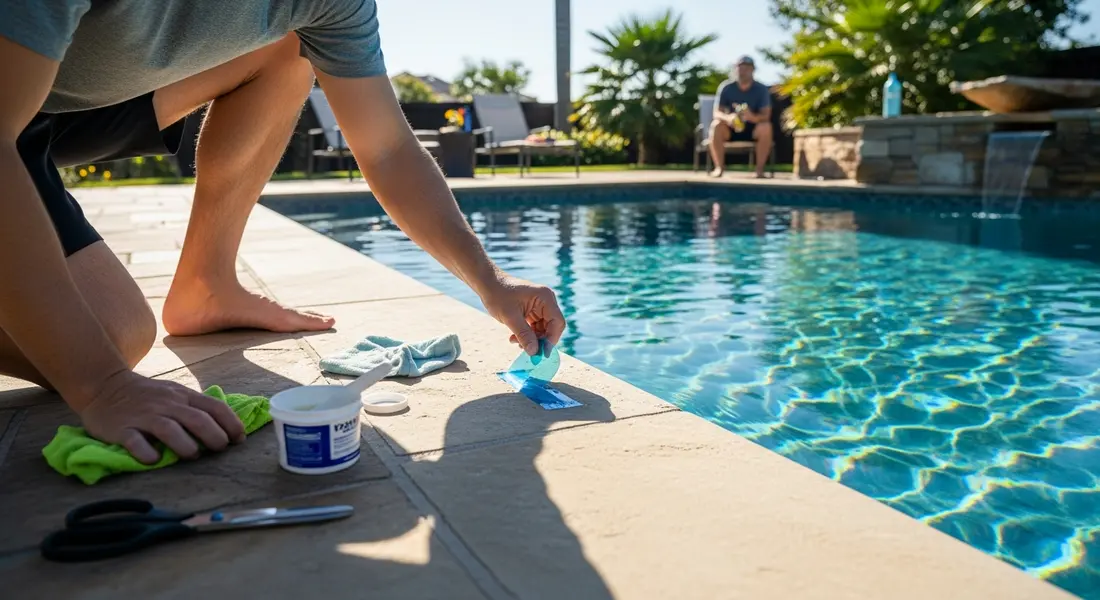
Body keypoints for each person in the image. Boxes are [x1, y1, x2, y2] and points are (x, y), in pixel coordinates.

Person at [1, 2, 566, 465]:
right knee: (108, 341)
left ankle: (207, 285)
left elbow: (388, 148)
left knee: (292, 47)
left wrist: (491, 282)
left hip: (64, 102)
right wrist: (102, 386)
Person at [709, 56, 774, 179]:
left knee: (766, 127)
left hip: (752, 130)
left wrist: (751, 117)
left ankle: (759, 170)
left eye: (746, 68)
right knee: (716, 125)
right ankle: (719, 168)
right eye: (740, 68)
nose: (742, 71)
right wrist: (729, 118)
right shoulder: (726, 87)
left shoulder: (761, 89)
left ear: (753, 70)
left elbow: (766, 115)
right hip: (730, 129)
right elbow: (716, 112)